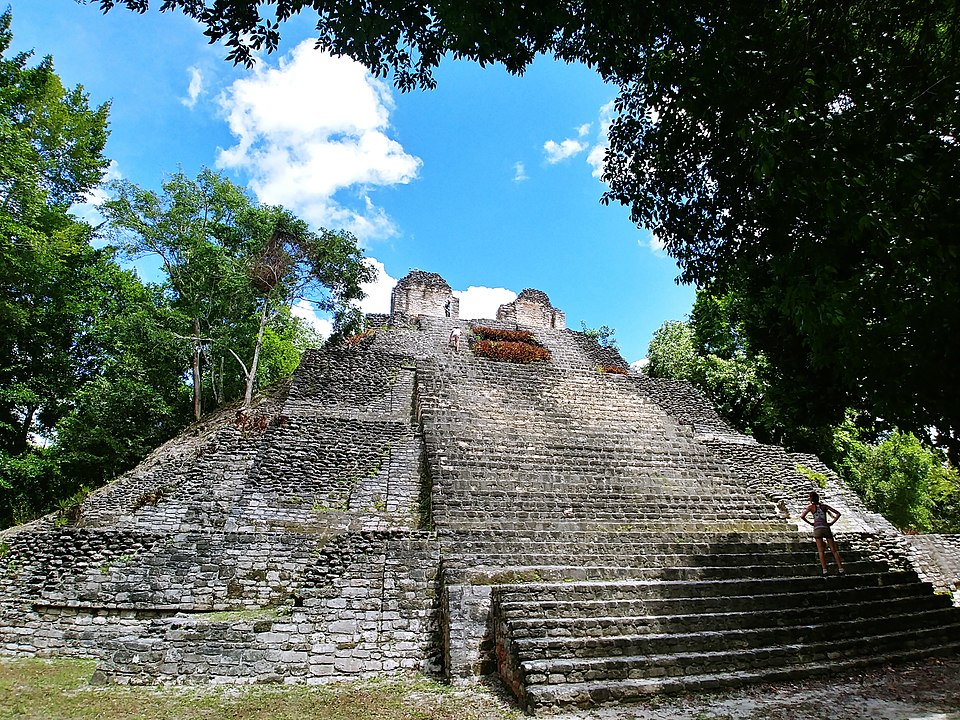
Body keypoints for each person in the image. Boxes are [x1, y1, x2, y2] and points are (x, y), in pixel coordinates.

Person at [800, 491, 845, 576]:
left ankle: (824, 570)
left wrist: (811, 523)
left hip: (817, 528)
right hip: (826, 528)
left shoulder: (811, 507)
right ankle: (840, 569)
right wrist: (832, 523)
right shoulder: (824, 506)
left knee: (821, 551)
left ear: (811, 498)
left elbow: (802, 516)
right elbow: (838, 513)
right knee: (834, 550)